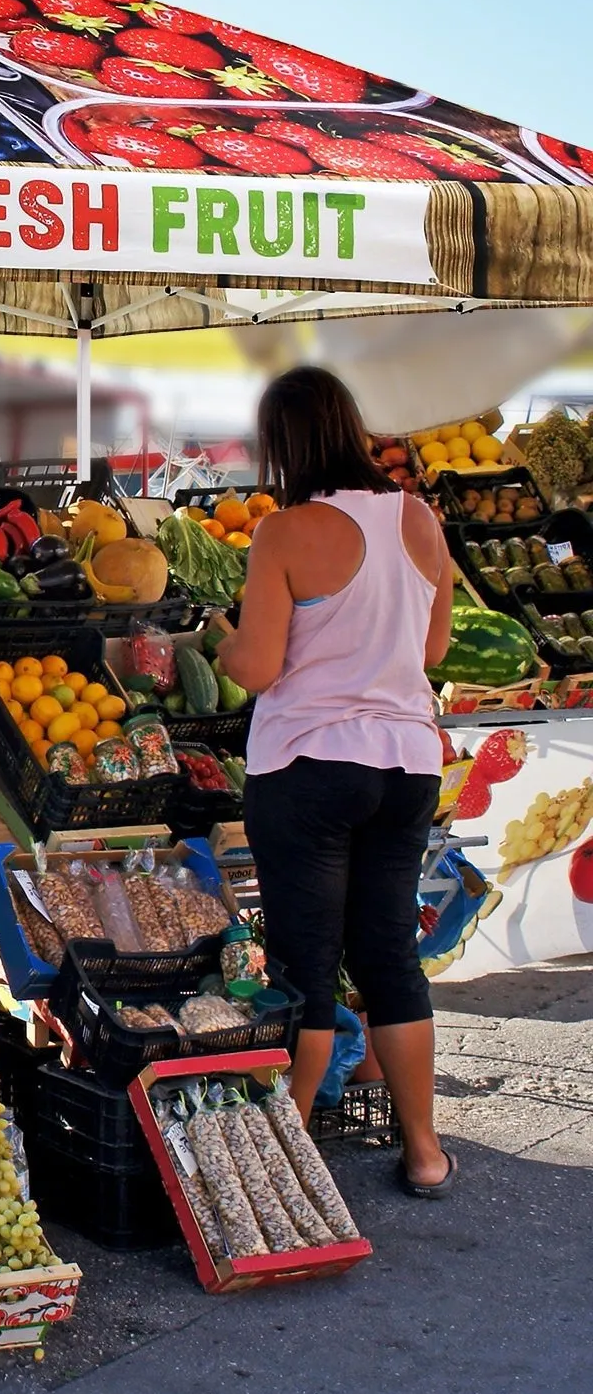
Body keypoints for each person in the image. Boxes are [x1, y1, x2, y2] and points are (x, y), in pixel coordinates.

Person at [219, 366, 455, 1197]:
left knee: (306, 964)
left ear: (286, 444)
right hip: (406, 765)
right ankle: (424, 1151)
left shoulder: (287, 531)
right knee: (390, 956)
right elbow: (431, 654)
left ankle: (295, 1154)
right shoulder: (419, 520)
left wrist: (220, 641)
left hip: (311, 765)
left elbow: (256, 666)